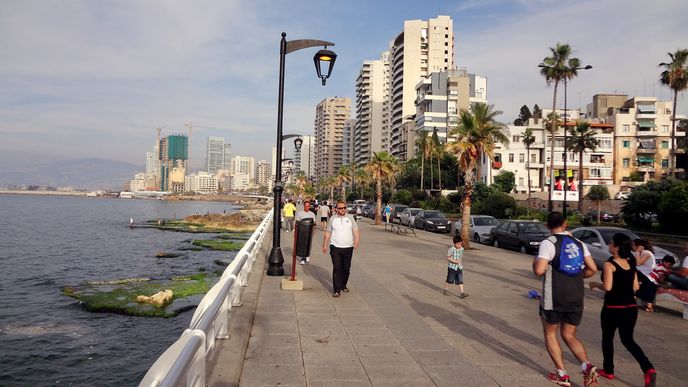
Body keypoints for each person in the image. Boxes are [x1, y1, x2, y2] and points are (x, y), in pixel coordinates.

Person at [532, 212, 599, 387]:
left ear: (547, 226)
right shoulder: (578, 243)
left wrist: (535, 262)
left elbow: (539, 270)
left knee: (550, 333)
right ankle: (586, 365)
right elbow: (592, 269)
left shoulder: (549, 243)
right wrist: (577, 276)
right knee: (569, 335)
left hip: (555, 296)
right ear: (566, 223)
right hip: (576, 295)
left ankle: (562, 374)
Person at [589, 233, 656, 386]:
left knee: (607, 338)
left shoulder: (610, 264)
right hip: (630, 308)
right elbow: (635, 287)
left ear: (617, 247)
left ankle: (609, 370)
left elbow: (607, 287)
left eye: (611, 243)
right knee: (628, 340)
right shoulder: (631, 262)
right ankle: (648, 368)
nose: (609, 246)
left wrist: (595, 284)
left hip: (612, 308)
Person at [322, 200, 360, 298]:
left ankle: (343, 285)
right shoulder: (332, 219)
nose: (343, 210)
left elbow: (355, 230)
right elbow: (328, 232)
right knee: (337, 268)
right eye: (340, 208)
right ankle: (337, 290)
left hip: (348, 247)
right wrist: (325, 245)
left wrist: (356, 241)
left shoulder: (350, 218)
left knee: (346, 268)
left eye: (344, 208)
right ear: (336, 209)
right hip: (335, 247)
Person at [633, 239, 656, 310]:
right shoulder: (641, 252)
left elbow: (638, 263)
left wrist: (637, 252)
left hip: (646, 275)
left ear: (639, 246)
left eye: (633, 245)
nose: (631, 247)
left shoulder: (647, 253)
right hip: (642, 273)